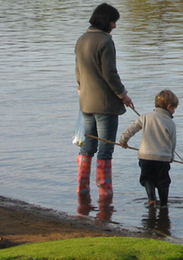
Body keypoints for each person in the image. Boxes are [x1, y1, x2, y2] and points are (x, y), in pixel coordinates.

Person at [75, 3, 134, 197]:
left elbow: (78, 72)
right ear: (105, 20)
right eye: (113, 21)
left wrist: (81, 90)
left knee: (87, 147)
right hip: (105, 105)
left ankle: (82, 189)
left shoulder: (81, 40)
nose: (114, 26)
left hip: (85, 103)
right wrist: (123, 94)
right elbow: (110, 74)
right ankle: (105, 194)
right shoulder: (105, 41)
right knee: (105, 150)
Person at [119, 90, 178, 207]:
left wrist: (123, 141)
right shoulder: (170, 122)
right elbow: (172, 142)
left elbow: (131, 129)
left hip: (145, 157)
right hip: (162, 158)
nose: (174, 112)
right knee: (163, 181)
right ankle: (164, 204)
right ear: (169, 106)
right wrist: (171, 156)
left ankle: (151, 199)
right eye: (174, 109)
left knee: (147, 178)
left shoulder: (145, 117)